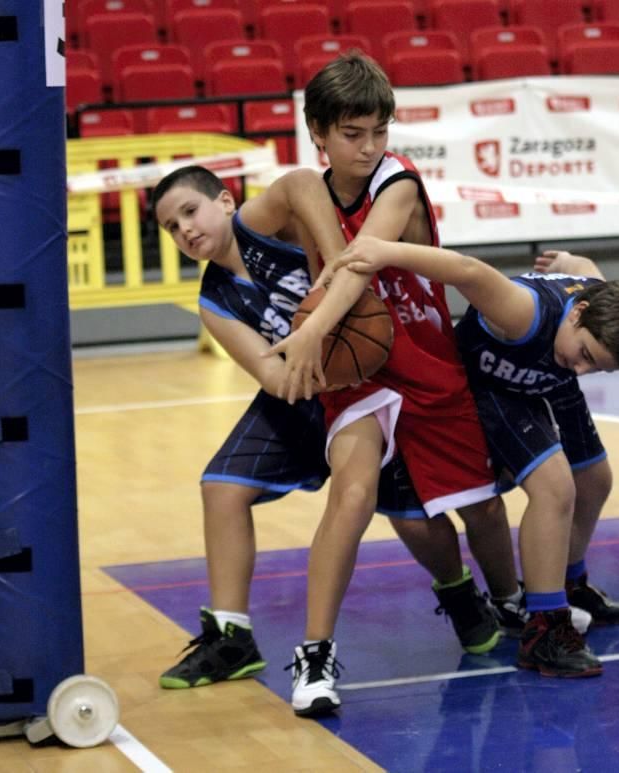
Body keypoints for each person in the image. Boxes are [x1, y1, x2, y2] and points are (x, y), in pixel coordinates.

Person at [150, 164, 511, 693]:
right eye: (171, 227)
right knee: (221, 488)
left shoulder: (257, 224)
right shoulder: (214, 301)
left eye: (190, 211)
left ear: (225, 202)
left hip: (373, 375)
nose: (185, 230)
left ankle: (458, 591)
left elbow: (299, 182)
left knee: (411, 519)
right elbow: (273, 377)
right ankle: (231, 638)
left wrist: (333, 259)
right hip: (308, 391)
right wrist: (319, 354)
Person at [265, 52, 519, 717]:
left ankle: (513, 598)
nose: (369, 146)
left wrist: (309, 332)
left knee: (483, 509)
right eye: (353, 134)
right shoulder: (307, 192)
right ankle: (315, 654)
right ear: (318, 132)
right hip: (357, 371)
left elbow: (356, 265)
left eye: (379, 130)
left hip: (427, 358)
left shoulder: (397, 179)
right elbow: (249, 243)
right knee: (352, 496)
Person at [323, 235, 619, 678]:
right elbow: (467, 271)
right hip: (489, 384)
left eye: (597, 367)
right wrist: (386, 252)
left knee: (595, 479)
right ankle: (545, 627)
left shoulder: (592, 303)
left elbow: (584, 267)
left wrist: (563, 259)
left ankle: (569, 584)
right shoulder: (522, 311)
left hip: (541, 375)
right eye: (586, 356)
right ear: (577, 313)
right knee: (554, 487)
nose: (583, 370)